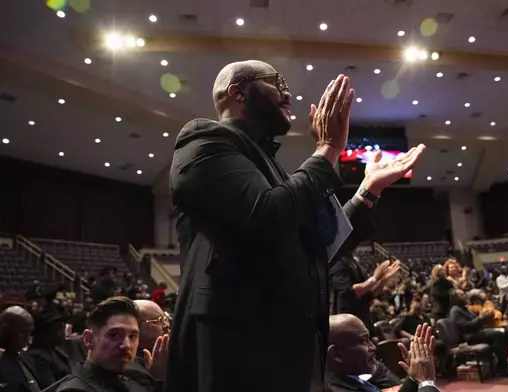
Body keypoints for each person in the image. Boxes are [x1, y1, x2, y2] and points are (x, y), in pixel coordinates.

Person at [166, 61, 425, 392]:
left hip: (288, 350)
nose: (288, 93)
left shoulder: (272, 168)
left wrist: (368, 189)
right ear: (238, 91)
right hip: (238, 352)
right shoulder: (203, 142)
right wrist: (328, 149)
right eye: (278, 82)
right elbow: (267, 217)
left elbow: (319, 245)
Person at [46, 297, 168, 392]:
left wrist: (158, 381)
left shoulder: (126, 381)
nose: (126, 345)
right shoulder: (75, 390)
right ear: (89, 340)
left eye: (132, 336)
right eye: (114, 335)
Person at [326, 314, 439, 392]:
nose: (373, 347)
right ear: (337, 354)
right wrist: (426, 382)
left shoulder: (346, 380)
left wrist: (414, 379)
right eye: (364, 341)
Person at [449, 289, 508, 378]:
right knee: (498, 335)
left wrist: (484, 316)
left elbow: (477, 322)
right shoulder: (456, 310)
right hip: (470, 337)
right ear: (455, 298)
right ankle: (504, 367)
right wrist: (480, 318)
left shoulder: (464, 308)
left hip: (479, 332)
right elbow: (466, 327)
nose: (465, 295)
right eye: (461, 294)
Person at [330, 255, 400, 335]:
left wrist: (382, 280)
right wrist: (374, 279)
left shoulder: (352, 261)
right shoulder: (337, 262)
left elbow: (370, 294)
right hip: (346, 324)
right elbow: (348, 291)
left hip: (362, 320)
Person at [125, 300, 171, 392]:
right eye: (157, 321)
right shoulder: (130, 370)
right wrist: (158, 379)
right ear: (135, 328)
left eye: (165, 318)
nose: (166, 325)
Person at [26, 305, 72, 389]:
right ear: (44, 334)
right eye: (57, 329)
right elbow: (51, 388)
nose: (62, 332)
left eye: (62, 327)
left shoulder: (56, 352)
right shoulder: (37, 359)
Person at [0, 306, 41, 392]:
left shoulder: (25, 356)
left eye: (29, 333)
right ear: (6, 330)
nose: (27, 338)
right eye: (24, 332)